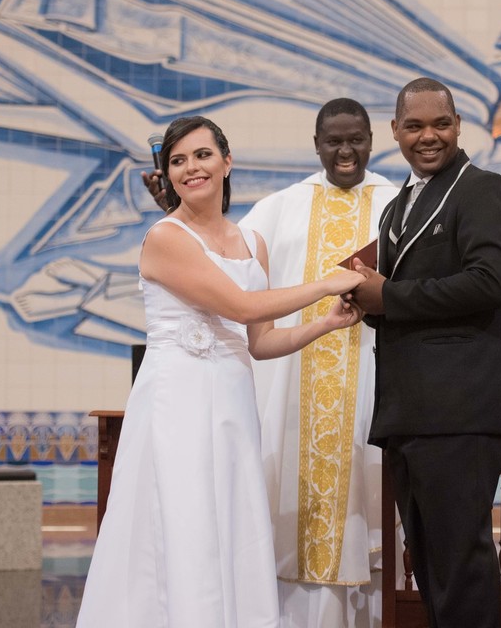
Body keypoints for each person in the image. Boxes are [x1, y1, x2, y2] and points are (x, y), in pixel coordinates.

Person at [77, 116, 365, 628]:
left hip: (232, 402)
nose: (192, 168)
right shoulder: (165, 238)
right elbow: (240, 305)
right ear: (166, 175)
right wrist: (326, 283)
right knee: (182, 520)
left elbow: (262, 340)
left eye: (203, 155)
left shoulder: (253, 242)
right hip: (176, 401)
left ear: (226, 162)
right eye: (178, 161)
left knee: (229, 520)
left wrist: (325, 323)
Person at [348, 78, 501, 628]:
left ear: (458, 126)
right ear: (395, 132)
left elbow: (490, 283)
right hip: (411, 409)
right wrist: (366, 298)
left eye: (440, 124)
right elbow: (405, 294)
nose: (429, 136)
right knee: (430, 564)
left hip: (460, 408)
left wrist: (388, 295)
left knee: (460, 564)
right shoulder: (398, 204)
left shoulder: (483, 188)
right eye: (415, 125)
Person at [237, 98, 398, 628]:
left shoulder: (400, 203)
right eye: (334, 141)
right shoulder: (278, 208)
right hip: (291, 388)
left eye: (356, 139)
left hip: (374, 384)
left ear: (373, 140)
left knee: (368, 504)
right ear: (317, 144)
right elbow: (225, 263)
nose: (346, 151)